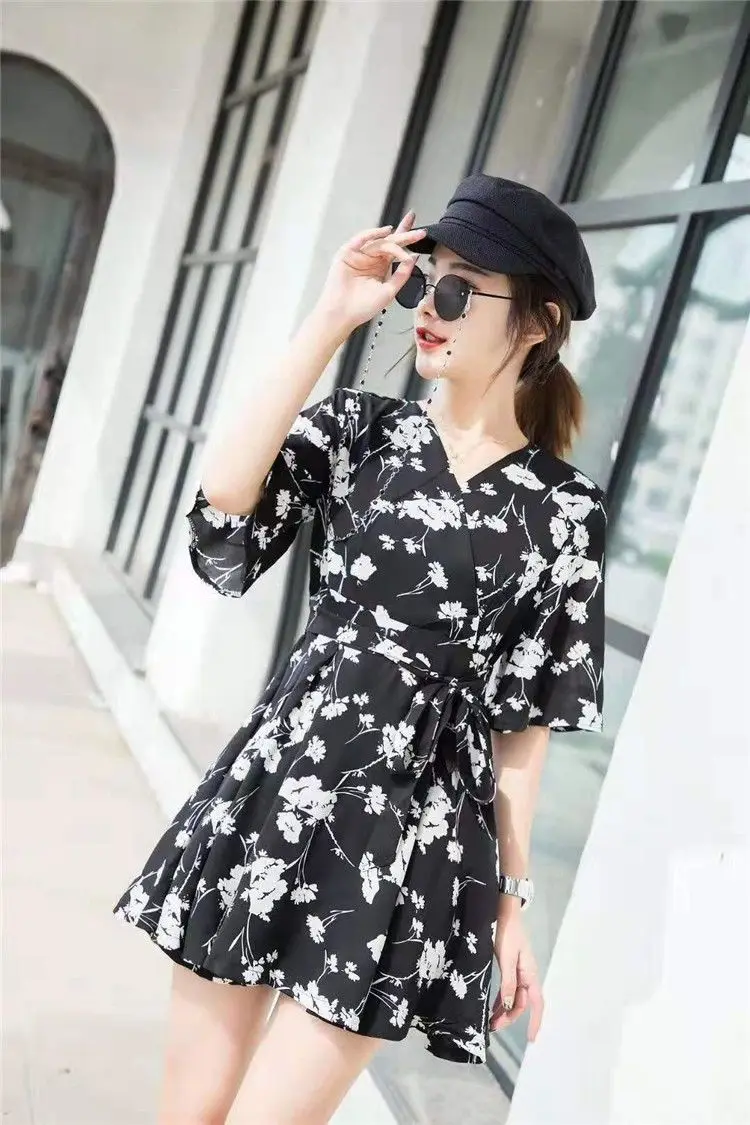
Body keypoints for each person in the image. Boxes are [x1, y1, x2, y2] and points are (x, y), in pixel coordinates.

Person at [114, 174, 606, 1125]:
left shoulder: (564, 512)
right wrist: (331, 317)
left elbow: (523, 729)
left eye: (459, 289)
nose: (429, 306)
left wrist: (510, 907)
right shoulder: (360, 431)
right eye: (426, 280)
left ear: (539, 323)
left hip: (407, 846)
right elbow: (226, 506)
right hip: (277, 792)